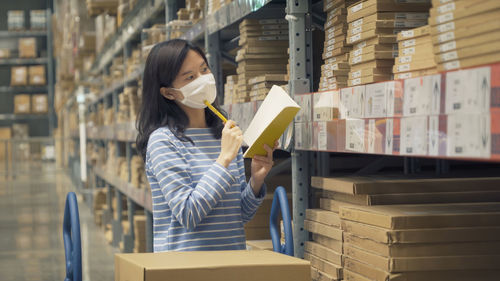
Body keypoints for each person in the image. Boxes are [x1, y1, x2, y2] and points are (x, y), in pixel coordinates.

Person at [136, 39, 276, 252]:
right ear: (168, 92)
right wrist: (224, 160)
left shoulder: (225, 135)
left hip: (231, 263)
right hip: (184, 269)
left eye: (204, 70)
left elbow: (238, 216)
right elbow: (188, 214)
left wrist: (256, 181)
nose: (203, 80)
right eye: (190, 77)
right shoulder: (163, 141)